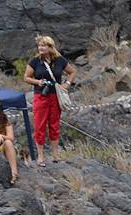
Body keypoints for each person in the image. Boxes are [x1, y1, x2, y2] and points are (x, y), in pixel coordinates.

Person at [23, 35, 75, 166]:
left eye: (43, 45)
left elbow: (72, 72)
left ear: (50, 47)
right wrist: (38, 82)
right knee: (39, 126)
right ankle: (40, 156)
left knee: (54, 125)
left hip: (55, 97)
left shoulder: (59, 60)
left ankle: (55, 155)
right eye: (39, 45)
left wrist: (67, 84)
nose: (40, 47)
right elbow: (26, 77)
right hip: (40, 96)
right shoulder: (35, 61)